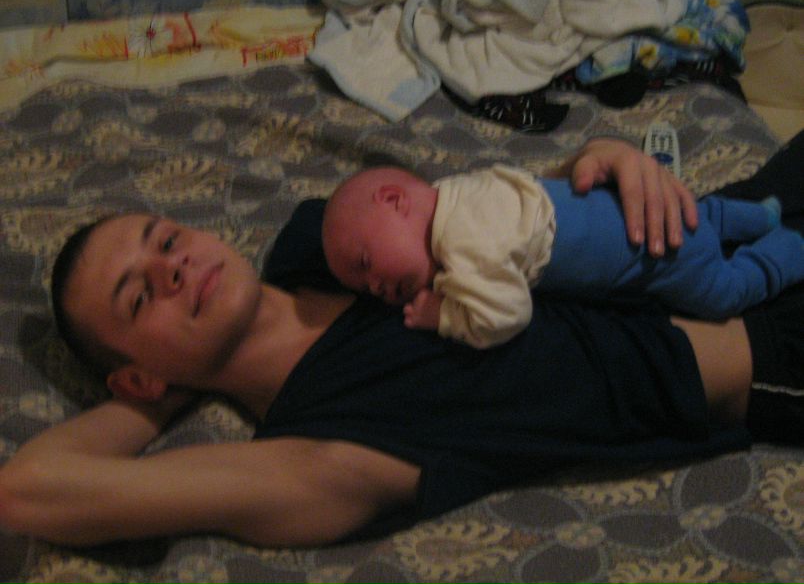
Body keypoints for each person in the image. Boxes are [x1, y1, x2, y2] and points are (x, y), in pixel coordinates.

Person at [0, 137, 802, 550]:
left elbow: (494, 221)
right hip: (764, 343)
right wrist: (160, 393)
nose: (172, 267)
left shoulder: (319, 240)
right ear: (137, 376)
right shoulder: (313, 452)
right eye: (140, 296)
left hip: (708, 227)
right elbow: (29, 490)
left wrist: (597, 159)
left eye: (167, 239)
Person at [322, 163, 804, 348]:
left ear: (395, 200)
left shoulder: (465, 246)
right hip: (644, 210)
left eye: (365, 263)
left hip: (659, 257)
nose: (376, 287)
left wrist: (444, 315)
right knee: (699, 214)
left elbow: (509, 314)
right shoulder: (456, 190)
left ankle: (785, 250)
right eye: (365, 289)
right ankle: (756, 216)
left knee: (723, 295)